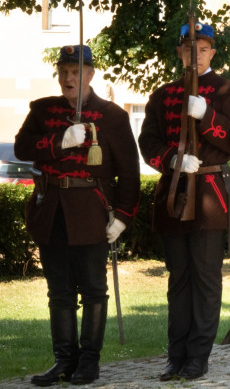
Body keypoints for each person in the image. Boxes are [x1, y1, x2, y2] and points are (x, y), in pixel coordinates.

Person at [14, 45, 140, 386]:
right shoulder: (42, 111)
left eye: (76, 72)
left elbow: (129, 173)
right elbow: (22, 147)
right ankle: (63, 361)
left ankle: (89, 362)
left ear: (90, 74)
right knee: (59, 292)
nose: (69, 78)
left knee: (94, 289)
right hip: (52, 208)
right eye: (64, 72)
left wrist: (124, 216)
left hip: (92, 210)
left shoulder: (113, 116)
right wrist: (59, 140)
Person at [138, 22, 230, 382]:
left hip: (210, 193)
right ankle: (176, 355)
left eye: (202, 48)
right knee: (178, 278)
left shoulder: (228, 90)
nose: (195, 54)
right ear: (179, 52)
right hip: (174, 193)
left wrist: (207, 117)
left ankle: (198, 356)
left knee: (205, 277)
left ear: (213, 52)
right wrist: (171, 159)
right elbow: (148, 143)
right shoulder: (163, 94)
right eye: (189, 48)